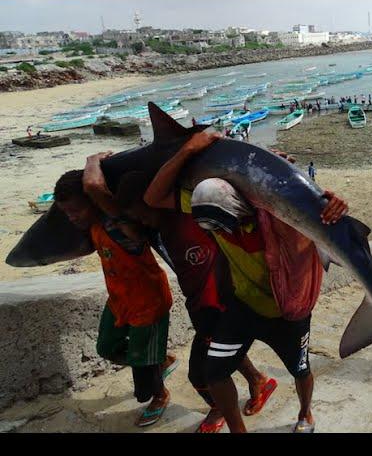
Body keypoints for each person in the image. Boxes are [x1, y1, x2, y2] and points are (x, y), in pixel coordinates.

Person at [144, 131, 349, 433]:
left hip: (287, 309)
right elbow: (153, 197)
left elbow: (326, 225)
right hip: (244, 304)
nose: (223, 233)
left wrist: (333, 207)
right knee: (214, 372)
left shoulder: (276, 213)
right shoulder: (207, 201)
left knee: (300, 369)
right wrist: (188, 149)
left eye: (227, 222)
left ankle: (306, 413)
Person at [89, 166, 274, 434]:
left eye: (140, 214)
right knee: (220, 353)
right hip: (200, 305)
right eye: (133, 217)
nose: (139, 221)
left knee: (200, 375)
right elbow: (105, 201)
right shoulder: (153, 229)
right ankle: (258, 380)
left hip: (219, 303)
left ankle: (219, 406)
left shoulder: (189, 215)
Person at [54, 163, 177, 428]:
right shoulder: (93, 227)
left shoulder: (122, 228)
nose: (72, 217)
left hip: (148, 304)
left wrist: (93, 161)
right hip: (120, 301)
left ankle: (159, 394)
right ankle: (159, 360)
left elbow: (95, 187)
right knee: (106, 348)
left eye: (76, 210)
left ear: (94, 202)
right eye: (66, 213)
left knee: (143, 368)